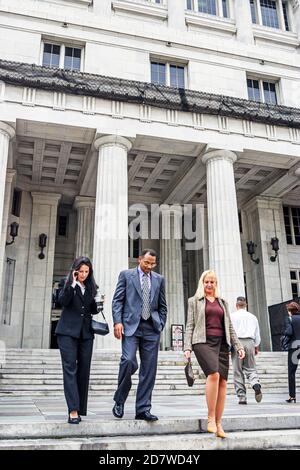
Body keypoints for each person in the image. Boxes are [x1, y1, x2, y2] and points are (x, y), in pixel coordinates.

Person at [184, 269, 245, 438]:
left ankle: (219, 423)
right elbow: (190, 325)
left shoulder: (223, 302)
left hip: (222, 344)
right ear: (202, 283)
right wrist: (187, 347)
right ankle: (210, 417)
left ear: (216, 284)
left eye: (212, 282)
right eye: (206, 282)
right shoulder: (194, 301)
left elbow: (230, 327)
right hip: (202, 342)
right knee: (213, 374)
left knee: (223, 382)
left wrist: (238, 345)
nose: (209, 285)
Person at [112, 249, 167, 421]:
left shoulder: (159, 279)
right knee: (128, 361)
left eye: (152, 264)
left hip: (151, 328)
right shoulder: (126, 275)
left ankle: (143, 409)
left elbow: (163, 305)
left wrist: (161, 323)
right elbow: (117, 300)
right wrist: (117, 322)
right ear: (139, 260)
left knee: (148, 370)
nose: (149, 266)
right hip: (130, 326)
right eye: (147, 263)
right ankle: (120, 399)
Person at [55, 256, 99, 424]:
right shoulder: (65, 283)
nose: (83, 275)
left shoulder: (91, 287)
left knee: (84, 370)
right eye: (81, 271)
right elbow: (62, 301)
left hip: (86, 334)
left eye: (87, 272)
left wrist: (98, 302)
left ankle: (80, 408)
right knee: (70, 369)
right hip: (67, 333)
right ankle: (73, 410)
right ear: (75, 270)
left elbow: (92, 310)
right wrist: (72, 284)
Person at [230, 296, 262, 405]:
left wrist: (228, 346)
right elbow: (257, 334)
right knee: (251, 368)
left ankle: (242, 397)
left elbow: (229, 332)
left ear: (236, 305)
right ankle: (255, 383)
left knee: (238, 370)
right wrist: (256, 346)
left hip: (237, 343)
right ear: (246, 305)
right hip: (250, 342)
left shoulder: (232, 316)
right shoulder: (253, 317)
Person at [283, 301, 300, 403]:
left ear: (290, 311)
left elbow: (289, 332)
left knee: (292, 372)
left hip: (294, 347)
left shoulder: (289, 319)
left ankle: (292, 396)